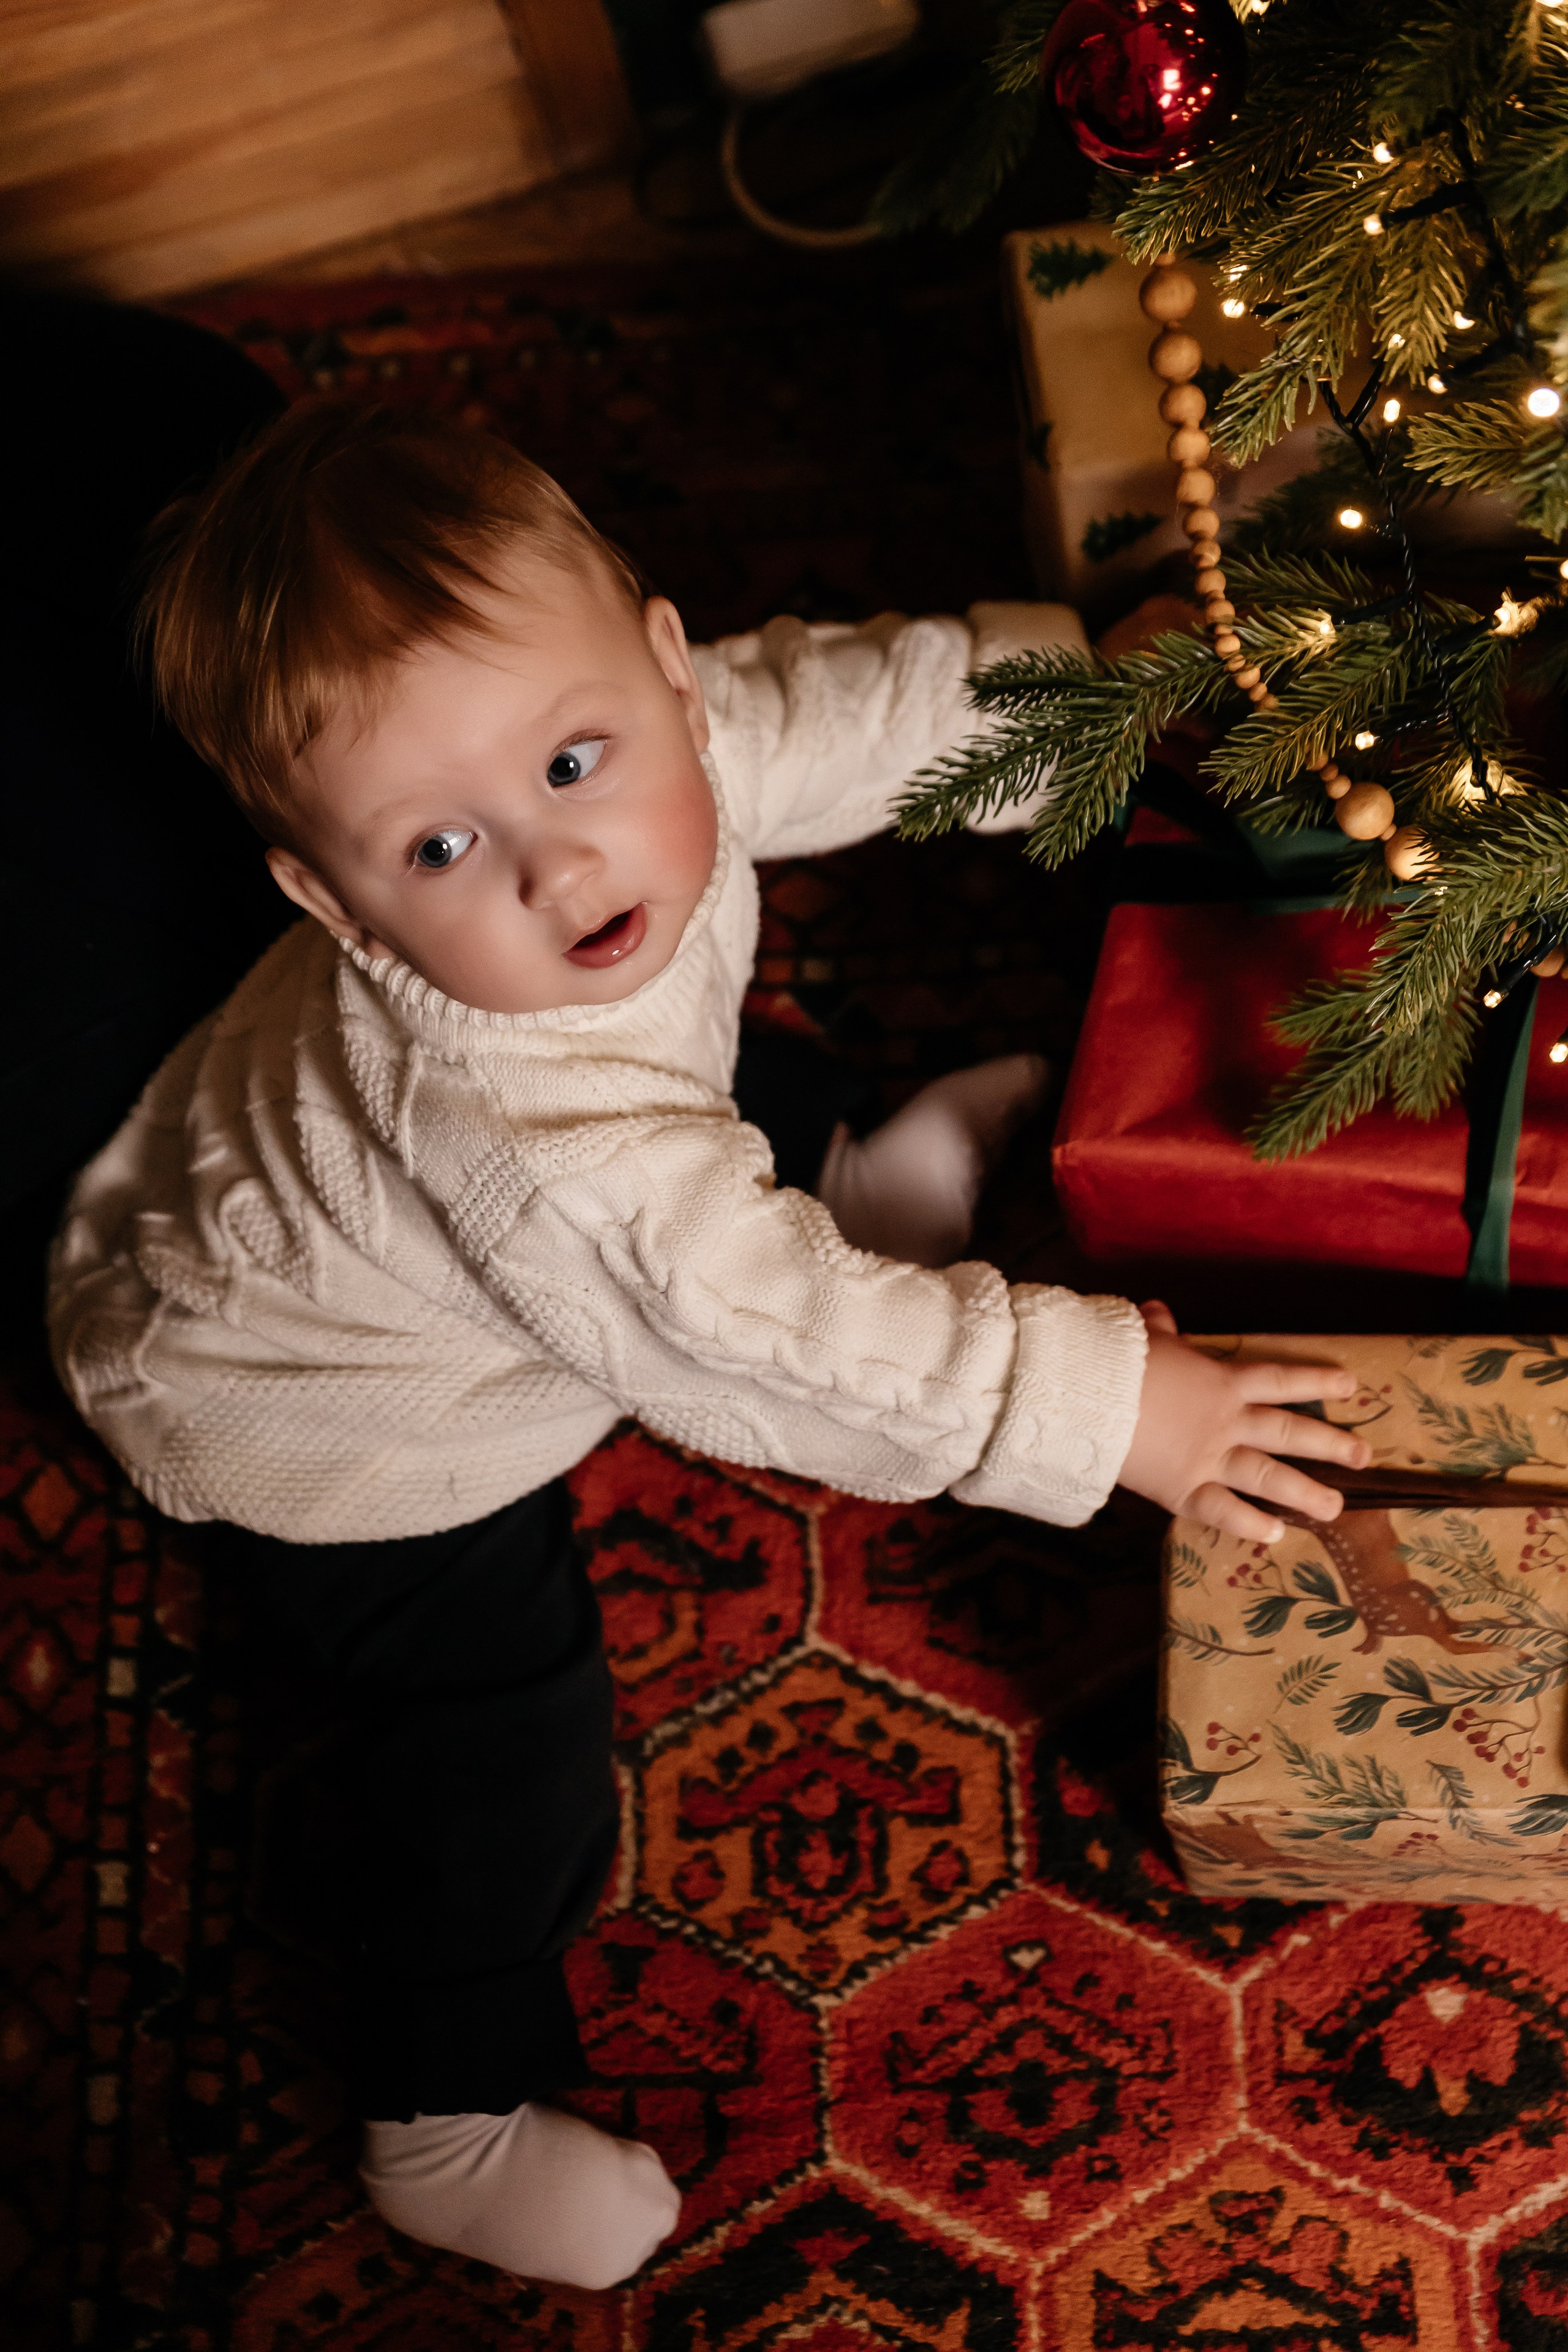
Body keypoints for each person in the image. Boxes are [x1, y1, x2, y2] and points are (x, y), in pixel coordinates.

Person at [48, 401, 1368, 2291]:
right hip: (323, 1403)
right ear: (332, 902)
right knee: (493, 1726)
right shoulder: (540, 1148)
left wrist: (1083, 694)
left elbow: (843, 710)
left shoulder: (644, 792)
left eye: (579, 757)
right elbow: (773, 1346)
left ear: (666, 665)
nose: (553, 866)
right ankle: (447, 2101)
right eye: (437, 846)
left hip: (348, 1164)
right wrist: (1113, 1407)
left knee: (687, 1036)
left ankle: (843, 1151)